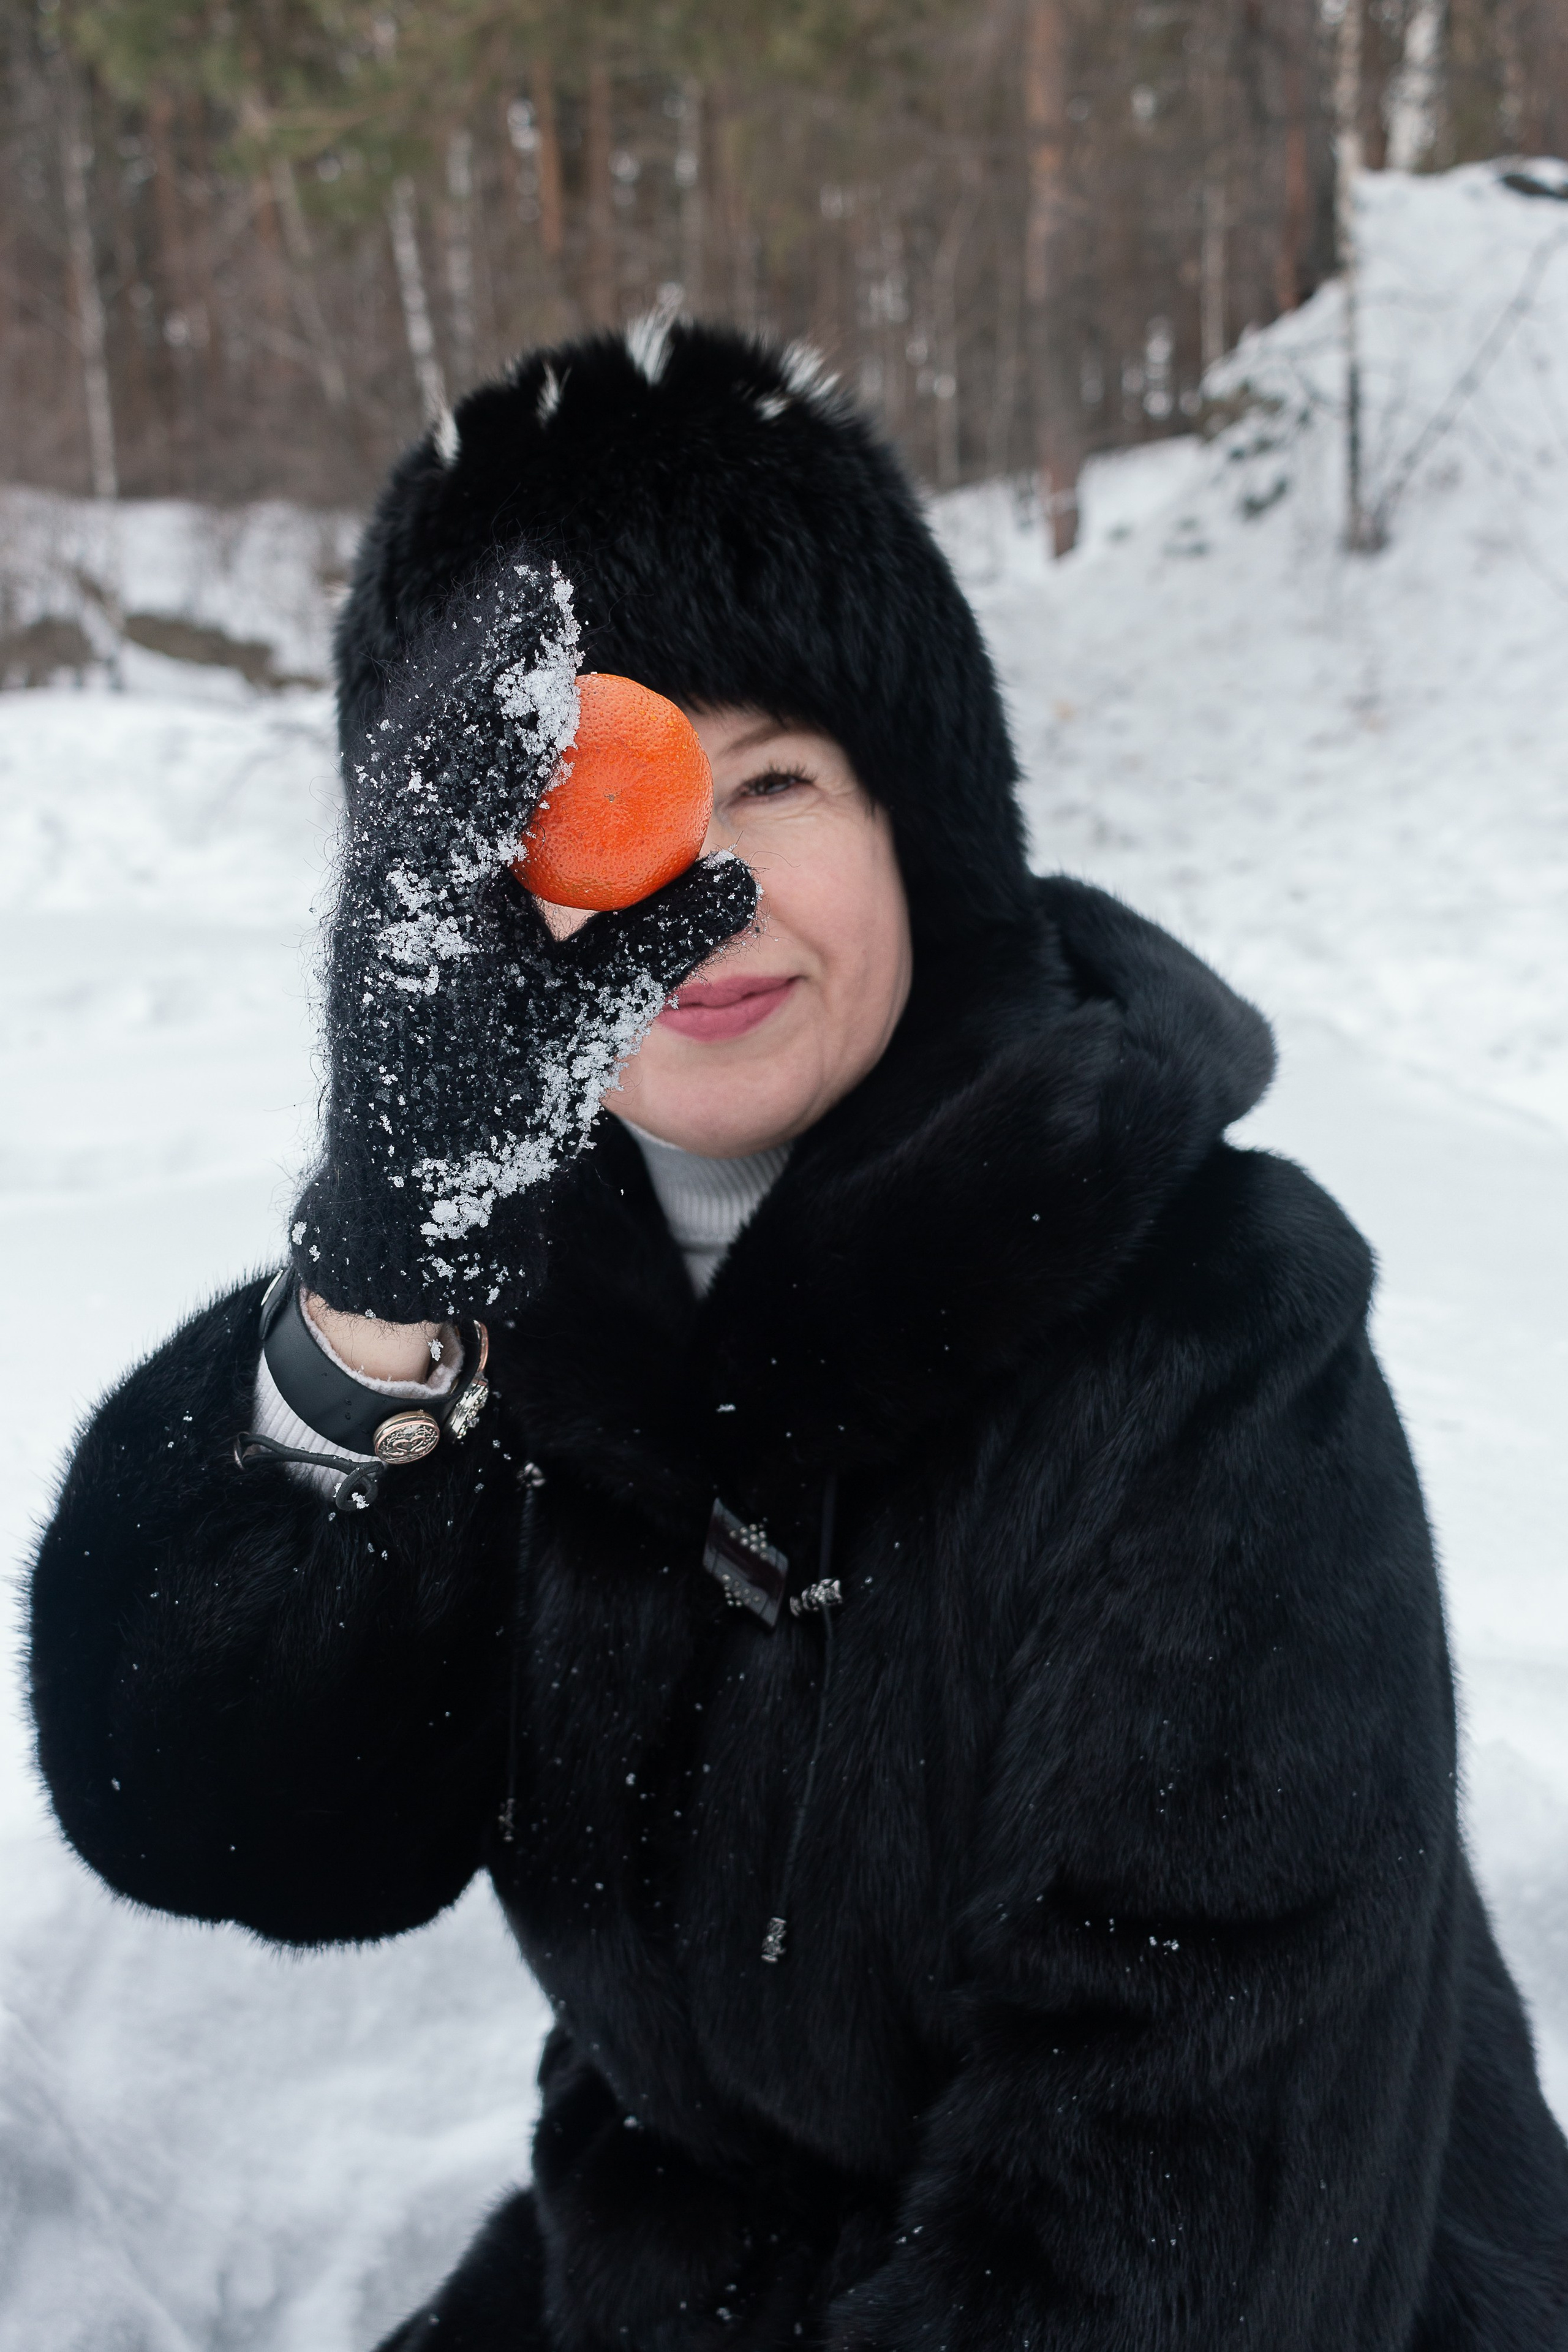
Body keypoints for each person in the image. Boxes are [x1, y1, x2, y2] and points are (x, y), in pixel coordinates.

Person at [28, 321, 1568, 2352]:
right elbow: (238, 1820)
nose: (710, 890)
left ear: (921, 824)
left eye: (773, 776)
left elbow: (1174, 2230)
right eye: (607, 804)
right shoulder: (505, 1299)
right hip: (677, 2265)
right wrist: (384, 1286)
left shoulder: (1211, 1337)